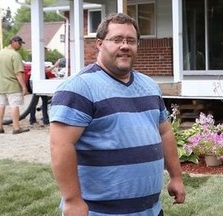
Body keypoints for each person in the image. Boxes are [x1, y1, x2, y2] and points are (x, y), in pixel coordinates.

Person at [49, 13, 186, 216]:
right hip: (100, 212)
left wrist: (176, 176)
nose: (125, 46)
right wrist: (72, 201)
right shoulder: (79, 88)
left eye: (131, 40)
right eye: (117, 40)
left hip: (151, 210)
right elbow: (60, 145)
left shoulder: (149, 86)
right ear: (99, 44)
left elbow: (165, 132)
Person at [0, 35, 30, 134]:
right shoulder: (15, 55)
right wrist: (24, 87)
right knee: (14, 105)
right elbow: (18, 73)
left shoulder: (0, 53)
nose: (20, 46)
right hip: (12, 85)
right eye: (20, 43)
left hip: (1, 85)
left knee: (0, 105)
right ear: (14, 42)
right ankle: (16, 127)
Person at [28, 47, 55, 127]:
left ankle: (44, 119)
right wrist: (56, 64)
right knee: (36, 101)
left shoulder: (39, 60)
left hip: (38, 82)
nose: (46, 54)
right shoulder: (38, 60)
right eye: (45, 52)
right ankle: (35, 119)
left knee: (44, 100)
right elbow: (45, 71)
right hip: (36, 82)